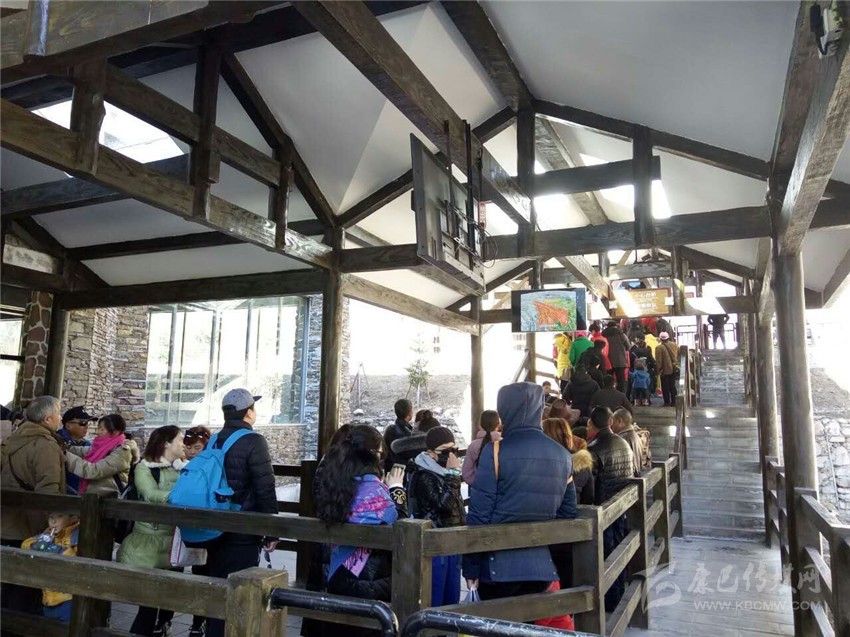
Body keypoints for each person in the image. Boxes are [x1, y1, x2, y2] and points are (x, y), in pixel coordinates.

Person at [462, 382, 577, 601]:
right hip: (541, 565)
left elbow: (479, 513)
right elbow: (568, 511)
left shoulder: (495, 451)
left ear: (504, 410)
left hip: (496, 565)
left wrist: (471, 567)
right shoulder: (562, 454)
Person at [314, 425, 407, 637]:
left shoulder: (335, 481)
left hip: (336, 572)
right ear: (374, 454)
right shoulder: (375, 490)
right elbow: (401, 528)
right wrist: (396, 489)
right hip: (369, 577)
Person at [204, 389, 279, 637]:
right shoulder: (254, 441)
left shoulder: (213, 440)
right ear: (248, 413)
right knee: (241, 593)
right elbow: (265, 487)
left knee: (218, 590)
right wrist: (271, 531)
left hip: (214, 529)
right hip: (243, 530)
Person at [117, 425, 186, 636]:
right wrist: (184, 496)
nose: (184, 443)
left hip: (175, 542)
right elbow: (149, 494)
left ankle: (163, 627)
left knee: (169, 600)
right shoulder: (145, 467)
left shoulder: (185, 468)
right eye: (180, 439)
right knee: (147, 607)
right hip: (149, 543)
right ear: (166, 443)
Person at [0, 396, 65, 618]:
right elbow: (49, 491)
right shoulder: (45, 446)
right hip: (32, 526)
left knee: (9, 586)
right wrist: (53, 525)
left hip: (7, 523)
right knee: (27, 591)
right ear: (47, 419)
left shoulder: (12, 440)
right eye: (58, 414)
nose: (60, 418)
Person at [409, 426, 465, 607]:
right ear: (431, 453)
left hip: (453, 541)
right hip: (436, 545)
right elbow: (443, 507)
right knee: (436, 597)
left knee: (452, 597)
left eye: (454, 449)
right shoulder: (425, 476)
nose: (451, 455)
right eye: (445, 451)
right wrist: (453, 475)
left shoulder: (446, 474)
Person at [587, 407, 634, 611]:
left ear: (592, 424)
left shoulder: (594, 448)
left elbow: (590, 486)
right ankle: (619, 594)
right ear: (610, 422)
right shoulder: (623, 442)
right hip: (621, 504)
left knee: (606, 554)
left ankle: (610, 601)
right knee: (618, 548)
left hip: (603, 508)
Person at [542, 417, 594, 591]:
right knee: (567, 581)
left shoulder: (539, 464)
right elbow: (590, 498)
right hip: (571, 534)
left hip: (540, 534)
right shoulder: (582, 465)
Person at [21, 512, 80, 623]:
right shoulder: (50, 533)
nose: (53, 521)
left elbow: (72, 558)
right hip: (49, 597)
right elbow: (26, 543)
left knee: (66, 628)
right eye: (51, 517)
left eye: (60, 516)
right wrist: (36, 545)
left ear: (73, 517)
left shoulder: (77, 535)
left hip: (68, 598)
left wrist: (51, 549)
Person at [182, 425, 212, 637]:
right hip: (184, 530)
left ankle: (198, 622)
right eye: (188, 447)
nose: (191, 452)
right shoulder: (179, 467)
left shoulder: (209, 469)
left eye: (197, 447)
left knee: (203, 573)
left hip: (204, 531)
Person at [65, 414, 138, 496]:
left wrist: (66, 456)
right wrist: (66, 448)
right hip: (94, 497)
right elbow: (84, 451)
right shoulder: (103, 446)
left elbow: (95, 471)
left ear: (115, 432)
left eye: (102, 429)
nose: (98, 432)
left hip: (109, 499)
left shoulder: (122, 452)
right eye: (98, 428)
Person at [58, 406, 94, 494]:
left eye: (87, 423)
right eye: (82, 423)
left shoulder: (88, 445)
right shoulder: (57, 442)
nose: (86, 426)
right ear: (68, 425)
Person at [461, 409, 501, 486]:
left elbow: (466, 473)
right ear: (498, 425)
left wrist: (477, 484)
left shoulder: (473, 445)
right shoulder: (504, 443)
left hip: (478, 489)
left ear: (480, 425)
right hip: (502, 489)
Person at [612, 408, 649, 476]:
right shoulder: (635, 435)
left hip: (629, 477)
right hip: (635, 476)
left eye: (613, 421)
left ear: (620, 421)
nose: (611, 425)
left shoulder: (623, 438)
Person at [383, 398, 413, 472]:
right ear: (409, 413)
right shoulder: (409, 433)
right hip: (403, 472)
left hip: (389, 469)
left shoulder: (389, 430)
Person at [602, 321, 631, 393]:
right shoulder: (621, 334)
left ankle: (609, 395)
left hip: (608, 361)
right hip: (620, 361)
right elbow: (628, 347)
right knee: (621, 380)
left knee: (608, 381)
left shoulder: (603, 334)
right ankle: (621, 396)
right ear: (615, 326)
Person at [655, 332, 680, 407]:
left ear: (660, 339)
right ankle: (674, 402)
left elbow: (659, 361)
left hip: (664, 370)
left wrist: (658, 371)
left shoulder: (659, 348)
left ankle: (667, 402)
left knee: (665, 387)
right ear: (668, 338)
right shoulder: (675, 345)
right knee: (672, 386)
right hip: (674, 368)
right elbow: (678, 355)